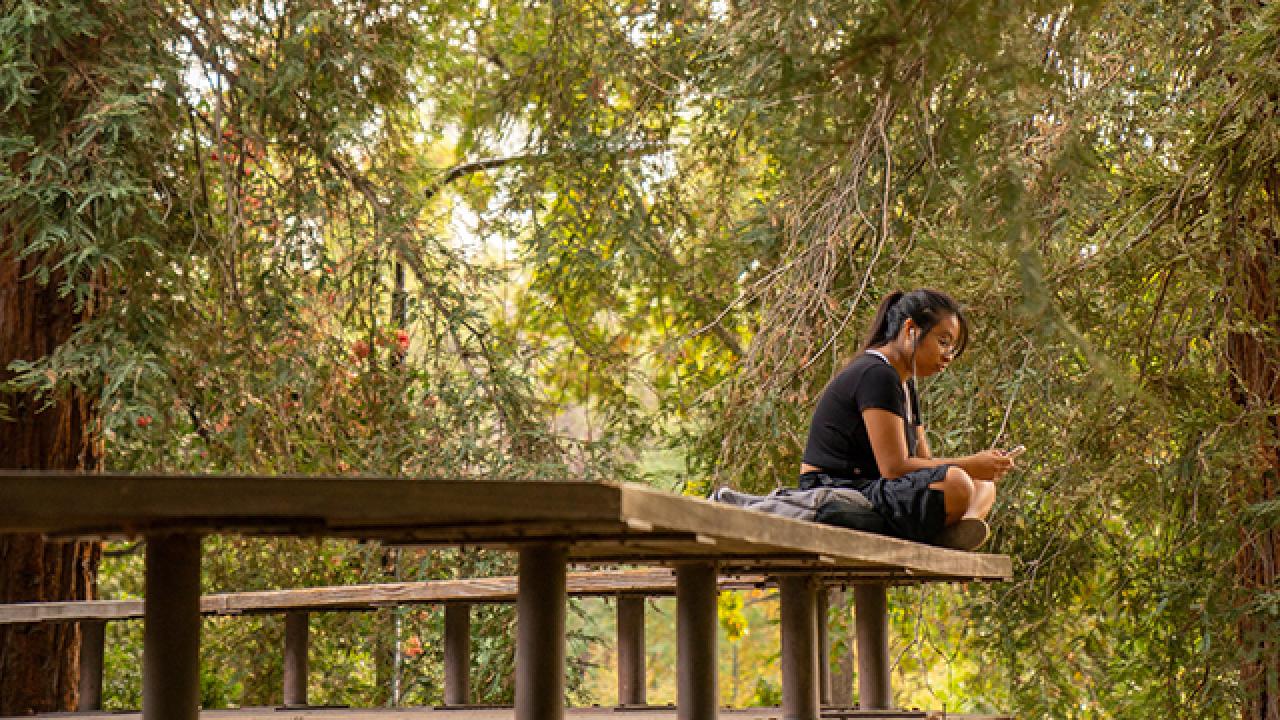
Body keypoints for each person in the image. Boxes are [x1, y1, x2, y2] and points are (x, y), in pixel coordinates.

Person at [799, 288, 1015, 550]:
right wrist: (970, 464)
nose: (948, 355)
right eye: (943, 341)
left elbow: (924, 462)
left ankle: (961, 530)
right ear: (911, 329)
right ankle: (943, 534)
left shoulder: (905, 385)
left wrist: (977, 469)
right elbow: (893, 467)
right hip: (838, 486)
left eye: (953, 347)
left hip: (876, 486)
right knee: (958, 481)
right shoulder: (877, 374)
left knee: (983, 484)